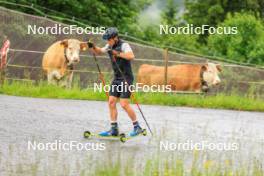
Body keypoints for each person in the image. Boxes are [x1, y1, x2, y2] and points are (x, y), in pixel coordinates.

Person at [88, 27, 143, 137]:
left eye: (109, 39)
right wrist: (93, 46)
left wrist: (117, 53)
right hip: (117, 78)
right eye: (107, 40)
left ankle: (137, 127)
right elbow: (99, 52)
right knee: (111, 101)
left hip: (126, 78)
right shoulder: (109, 45)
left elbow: (131, 56)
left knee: (124, 104)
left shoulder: (124, 45)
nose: (107, 41)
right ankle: (114, 129)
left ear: (115, 38)